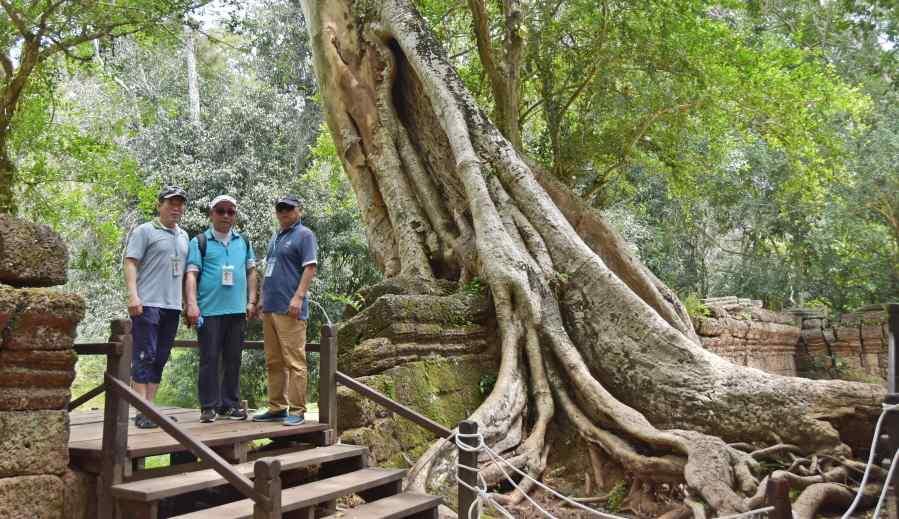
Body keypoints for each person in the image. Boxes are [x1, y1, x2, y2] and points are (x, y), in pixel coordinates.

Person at [185, 195, 258, 423]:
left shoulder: (243, 241)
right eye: (221, 211)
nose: (226, 215)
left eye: (230, 211)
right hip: (209, 311)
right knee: (209, 358)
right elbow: (191, 274)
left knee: (233, 358)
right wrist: (192, 304)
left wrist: (252, 300)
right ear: (212, 214)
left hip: (237, 311)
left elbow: (251, 272)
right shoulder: (199, 241)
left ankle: (230, 404)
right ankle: (208, 406)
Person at [124, 185, 190, 429]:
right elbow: (131, 262)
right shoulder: (145, 231)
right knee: (145, 354)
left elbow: (184, 274)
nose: (176, 207)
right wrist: (133, 296)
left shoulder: (184, 237)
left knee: (161, 356)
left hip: (172, 306)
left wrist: (186, 302)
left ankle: (151, 409)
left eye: (180, 203)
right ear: (159, 204)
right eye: (171, 202)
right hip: (148, 302)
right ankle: (141, 409)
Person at [253, 195, 317, 426]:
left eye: (289, 209)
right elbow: (270, 269)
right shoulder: (276, 237)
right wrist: (261, 299)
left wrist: (298, 297)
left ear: (298, 210)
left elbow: (310, 268)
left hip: (290, 308)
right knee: (274, 361)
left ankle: (297, 410)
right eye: (280, 209)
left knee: (295, 361)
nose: (284, 213)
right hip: (270, 308)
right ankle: (277, 407)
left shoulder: (304, 235)